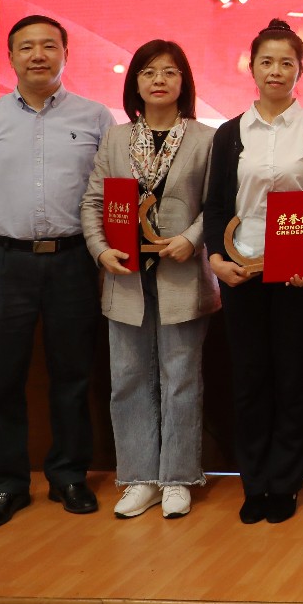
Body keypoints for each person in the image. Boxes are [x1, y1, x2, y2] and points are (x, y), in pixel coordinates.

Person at [0, 14, 115, 530]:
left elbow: (112, 198)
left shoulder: (96, 117)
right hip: (3, 262)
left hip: (74, 261)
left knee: (73, 375)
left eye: (49, 46)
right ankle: (6, 485)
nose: (38, 55)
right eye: (26, 47)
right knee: (3, 379)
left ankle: (68, 476)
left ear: (65, 53)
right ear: (11, 57)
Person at [202, 19, 303, 525]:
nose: (276, 71)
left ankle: (284, 482)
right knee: (250, 379)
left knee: (293, 378)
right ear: (252, 68)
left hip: (295, 273)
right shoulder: (229, 133)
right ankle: (254, 481)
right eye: (267, 61)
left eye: (286, 62)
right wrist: (217, 261)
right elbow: (218, 205)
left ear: (300, 69)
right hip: (241, 271)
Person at [80, 41, 217, 520]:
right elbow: (93, 202)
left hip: (183, 276)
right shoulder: (116, 139)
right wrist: (101, 250)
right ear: (134, 82)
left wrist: (192, 239)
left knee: (181, 379)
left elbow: (217, 204)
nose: (159, 80)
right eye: (148, 72)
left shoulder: (206, 138)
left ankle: (178, 478)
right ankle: (139, 477)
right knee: (128, 378)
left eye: (170, 72)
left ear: (184, 82)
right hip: (126, 279)